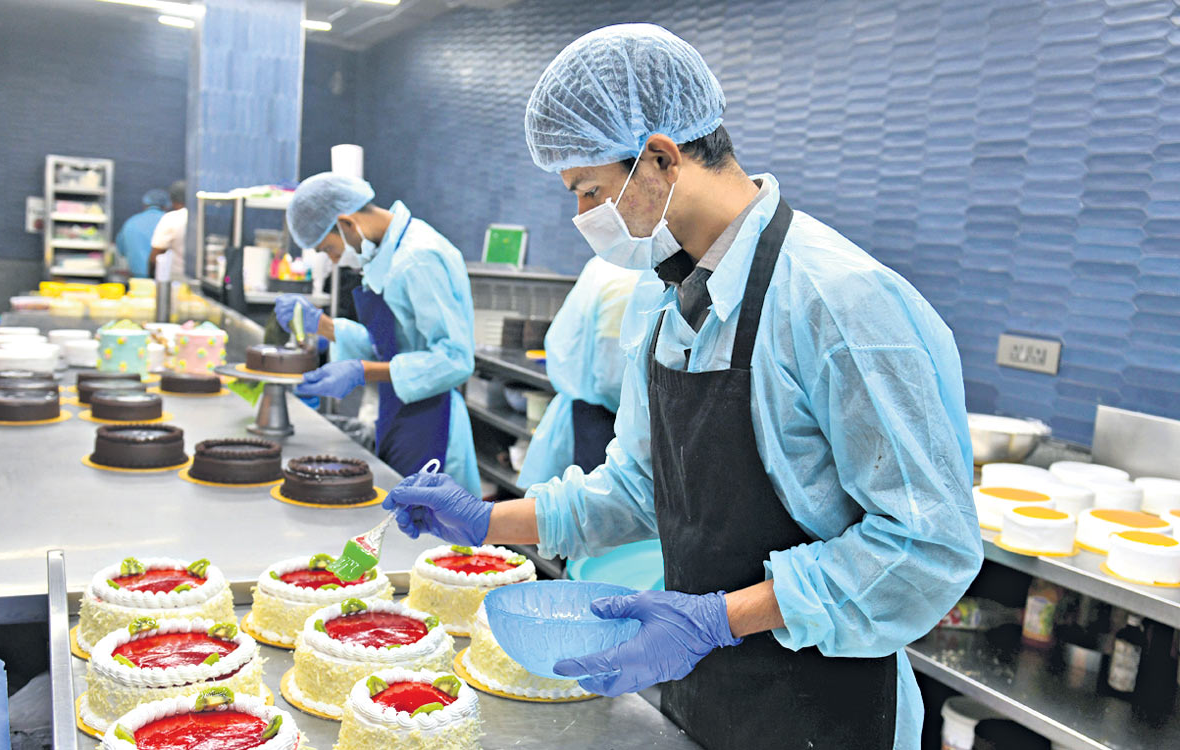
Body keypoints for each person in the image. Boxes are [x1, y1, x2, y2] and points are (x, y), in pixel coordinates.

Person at [382, 24, 982, 750]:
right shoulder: (670, 300)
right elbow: (640, 487)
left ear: (662, 159)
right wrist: (486, 521)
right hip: (705, 688)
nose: (582, 217)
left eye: (590, 191)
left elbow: (926, 547)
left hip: (829, 705)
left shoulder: (837, 299)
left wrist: (714, 620)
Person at [273, 173, 481, 497]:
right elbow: (393, 344)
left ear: (346, 223)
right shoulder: (385, 254)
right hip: (401, 413)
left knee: (432, 523)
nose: (334, 260)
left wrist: (362, 371)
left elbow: (455, 360)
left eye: (329, 249)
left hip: (435, 422)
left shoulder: (418, 258)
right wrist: (323, 325)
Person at [515, 255, 638, 488]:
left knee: (574, 499)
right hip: (606, 419)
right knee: (597, 500)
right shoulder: (628, 280)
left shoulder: (604, 265)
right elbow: (612, 380)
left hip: (584, 409)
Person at [114, 189, 169, 277]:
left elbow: (121, 250)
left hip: (136, 279)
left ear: (145, 204)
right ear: (166, 206)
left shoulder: (131, 222)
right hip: (163, 278)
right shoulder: (170, 221)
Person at [149, 180, 187, 278]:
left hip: (176, 278)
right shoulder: (201, 217)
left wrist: (151, 277)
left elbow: (156, 254)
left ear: (172, 200)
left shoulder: (171, 218)